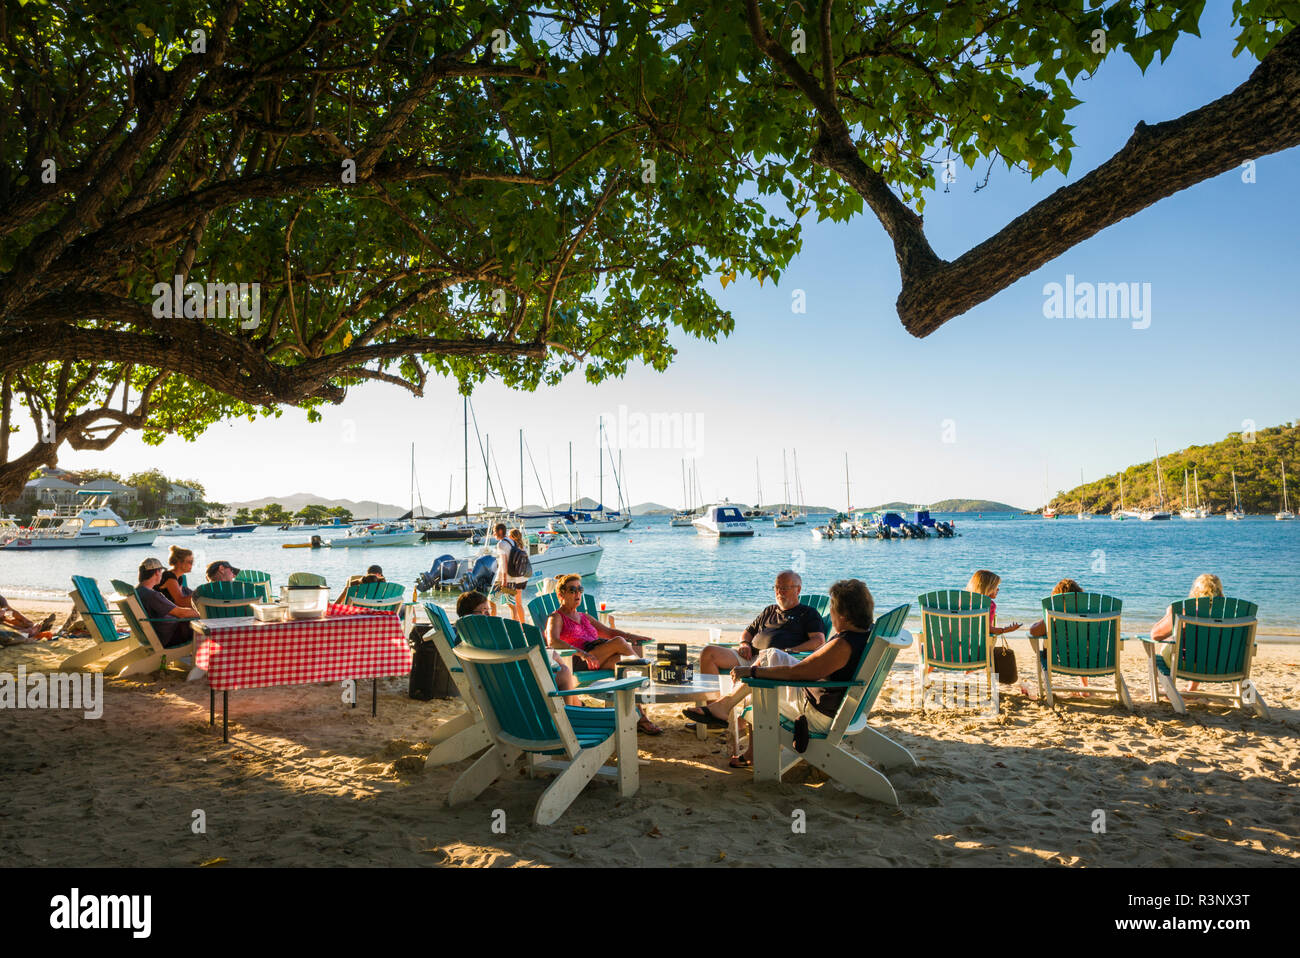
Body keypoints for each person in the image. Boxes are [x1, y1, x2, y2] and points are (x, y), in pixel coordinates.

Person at [686, 578, 878, 768]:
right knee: (771, 655)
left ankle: (736, 725)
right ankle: (724, 706)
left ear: (843, 615)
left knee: (759, 688)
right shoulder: (863, 635)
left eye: (833, 608)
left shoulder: (842, 644)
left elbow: (799, 673)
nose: (832, 613)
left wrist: (754, 672)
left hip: (816, 712)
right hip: (829, 701)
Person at [545, 573, 662, 734]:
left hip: (598, 656)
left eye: (580, 589)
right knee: (620, 643)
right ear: (561, 594)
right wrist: (582, 654)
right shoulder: (556, 617)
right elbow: (552, 641)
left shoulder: (584, 616)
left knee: (624, 667)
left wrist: (632, 636)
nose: (577, 593)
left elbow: (608, 632)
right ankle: (647, 671)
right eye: (572, 590)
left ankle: (640, 717)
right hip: (577, 661)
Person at [456, 589, 581, 705]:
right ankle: (572, 713)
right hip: (509, 687)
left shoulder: (465, 635)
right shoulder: (486, 637)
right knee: (564, 672)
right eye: (484, 611)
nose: (488, 615)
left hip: (490, 684)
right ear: (470, 614)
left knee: (554, 657)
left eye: (488, 610)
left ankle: (578, 706)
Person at [697, 569, 826, 677]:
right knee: (708, 653)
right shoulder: (770, 610)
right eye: (777, 587)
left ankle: (723, 704)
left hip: (773, 662)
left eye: (784, 588)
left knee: (766, 657)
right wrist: (744, 644)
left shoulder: (808, 613)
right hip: (749, 657)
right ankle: (711, 705)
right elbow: (748, 632)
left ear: (798, 590)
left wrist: (790, 651)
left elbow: (818, 641)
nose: (779, 591)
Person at [1151, 573, 1224, 691]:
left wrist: (1169, 614)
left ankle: (1170, 690)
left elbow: (1155, 635)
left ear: (1196, 590)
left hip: (1186, 664)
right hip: (1219, 665)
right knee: (1204, 647)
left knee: (1174, 645)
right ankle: (1192, 688)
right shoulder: (1230, 616)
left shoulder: (1186, 613)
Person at [136, 558, 201, 648]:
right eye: (161, 571)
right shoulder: (152, 595)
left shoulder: (138, 591)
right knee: (203, 626)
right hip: (168, 637)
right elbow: (181, 613)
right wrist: (203, 612)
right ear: (156, 573)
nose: (162, 575)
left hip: (154, 634)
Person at [966, 569, 1022, 636]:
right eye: (996, 586)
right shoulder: (989, 604)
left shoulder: (961, 601)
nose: (998, 589)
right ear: (988, 588)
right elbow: (987, 629)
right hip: (977, 644)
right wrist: (1005, 630)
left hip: (954, 644)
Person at [493, 523, 529, 624]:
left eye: (510, 535)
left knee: (511, 604)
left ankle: (516, 625)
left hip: (513, 579)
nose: (508, 537)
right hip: (522, 580)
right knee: (518, 604)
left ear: (512, 537)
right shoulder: (523, 548)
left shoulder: (512, 547)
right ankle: (523, 625)